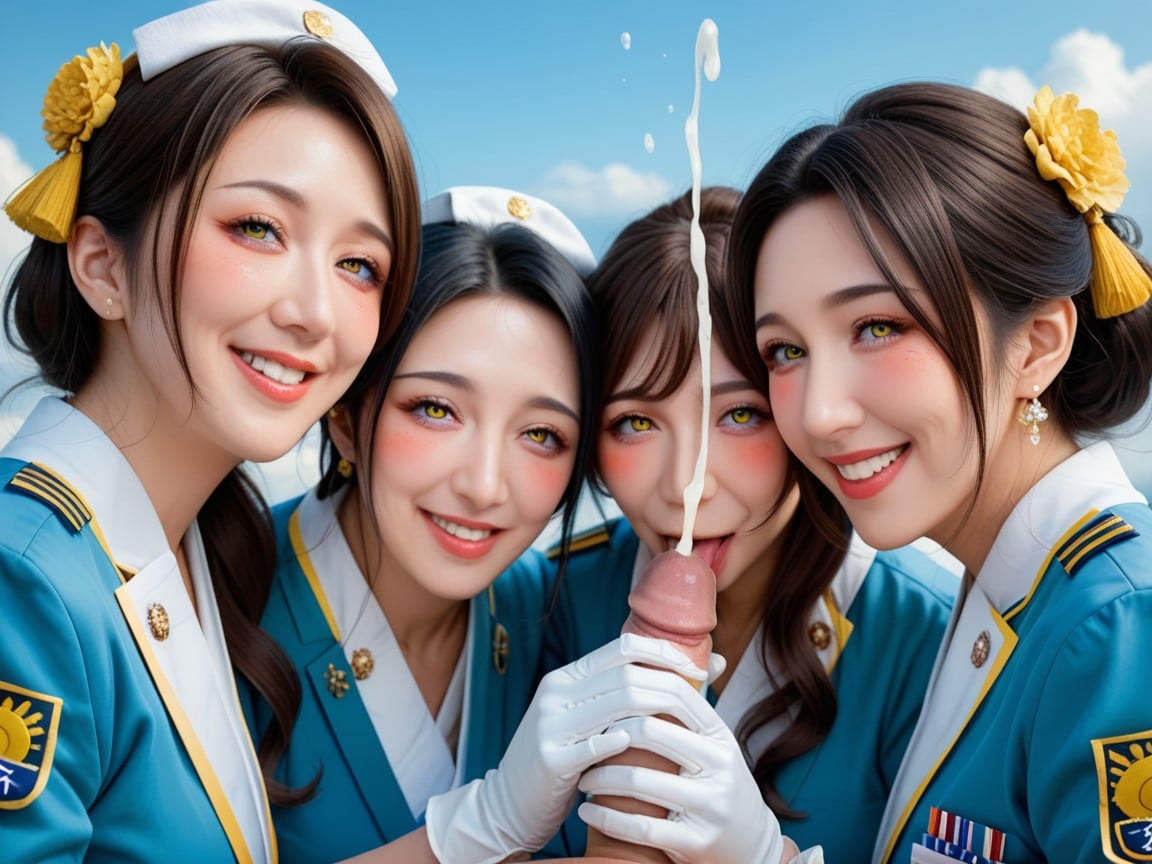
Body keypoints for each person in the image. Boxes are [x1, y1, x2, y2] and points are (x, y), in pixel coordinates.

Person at [0, 1, 421, 859]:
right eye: (257, 228)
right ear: (99, 263)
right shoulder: (26, 582)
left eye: (358, 266)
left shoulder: (193, 544)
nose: (314, 313)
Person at [728, 81, 1152, 862]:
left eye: (877, 326)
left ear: (1036, 345)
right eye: (785, 351)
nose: (818, 414)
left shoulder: (1118, 628)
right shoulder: (1000, 586)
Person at [248, 186, 719, 864]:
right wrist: (480, 826)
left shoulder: (552, 615)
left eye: (541, 434)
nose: (484, 485)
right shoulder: (224, 596)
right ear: (346, 415)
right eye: (436, 409)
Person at [545, 186, 957, 863]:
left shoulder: (919, 635)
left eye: (740, 416)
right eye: (636, 423)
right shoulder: (560, 598)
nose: (687, 484)